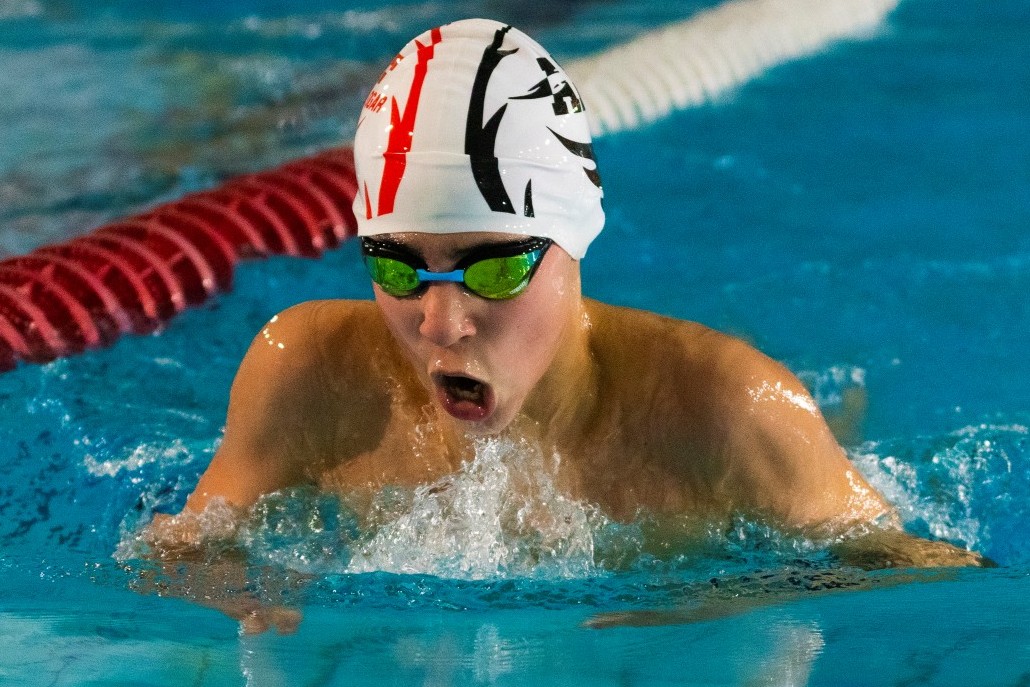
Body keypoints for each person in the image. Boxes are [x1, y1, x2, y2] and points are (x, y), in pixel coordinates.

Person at [145, 18, 988, 630]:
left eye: (497, 263)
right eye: (399, 265)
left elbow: (941, 584)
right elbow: (174, 551)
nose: (440, 322)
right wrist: (235, 585)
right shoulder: (303, 374)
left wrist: (740, 592)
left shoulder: (736, 413)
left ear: (574, 239)